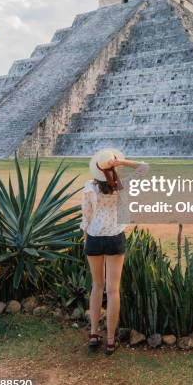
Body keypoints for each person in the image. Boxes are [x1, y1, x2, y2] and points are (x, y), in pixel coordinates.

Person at [80, 147, 149, 355]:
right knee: (113, 290)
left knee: (96, 286)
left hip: (94, 237)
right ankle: (110, 340)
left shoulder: (89, 187)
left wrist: (86, 238)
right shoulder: (120, 186)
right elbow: (144, 168)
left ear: (96, 169)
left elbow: (86, 216)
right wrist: (122, 162)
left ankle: (93, 333)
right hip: (114, 238)